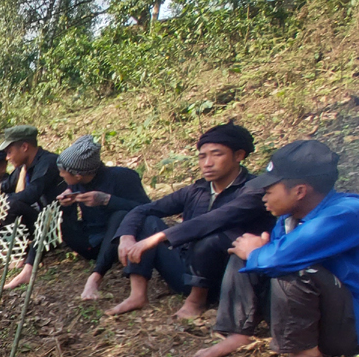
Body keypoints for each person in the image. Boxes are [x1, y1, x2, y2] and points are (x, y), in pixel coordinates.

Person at [188, 140, 359, 357]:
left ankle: (305, 354)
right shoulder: (290, 216)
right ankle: (238, 333)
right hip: (319, 314)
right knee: (245, 253)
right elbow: (270, 256)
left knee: (287, 266)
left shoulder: (348, 213)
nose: (263, 196)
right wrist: (258, 252)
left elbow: (282, 259)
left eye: (269, 190)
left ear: (299, 191)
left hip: (357, 323)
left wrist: (260, 252)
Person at [108, 124, 275, 318]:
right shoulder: (197, 190)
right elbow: (143, 208)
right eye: (202, 157)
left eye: (217, 155)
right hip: (187, 270)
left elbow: (213, 220)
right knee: (147, 220)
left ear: (238, 155)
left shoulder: (254, 190)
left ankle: (196, 301)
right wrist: (126, 236)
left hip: (227, 278)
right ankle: (137, 295)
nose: (207, 163)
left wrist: (157, 238)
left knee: (211, 237)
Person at [0, 125, 65, 289]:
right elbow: (7, 185)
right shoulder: (23, 167)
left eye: (9, 152)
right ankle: (11, 248)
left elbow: (31, 194)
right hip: (37, 219)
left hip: (53, 221)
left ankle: (19, 252)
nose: (7, 157)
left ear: (24, 147)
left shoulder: (47, 163)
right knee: (1, 202)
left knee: (10, 204)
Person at [47, 135, 151, 290]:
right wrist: (68, 198)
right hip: (90, 240)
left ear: (78, 175)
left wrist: (107, 200)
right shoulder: (78, 181)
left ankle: (97, 275)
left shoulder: (123, 177)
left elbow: (148, 209)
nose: (60, 175)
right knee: (60, 216)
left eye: (62, 172)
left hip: (116, 240)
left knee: (119, 216)